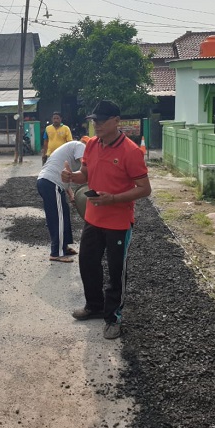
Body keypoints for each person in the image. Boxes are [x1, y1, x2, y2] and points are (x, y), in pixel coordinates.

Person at [61, 100, 151, 340]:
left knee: (115, 271)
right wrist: (72, 176)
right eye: (94, 120)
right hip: (93, 217)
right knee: (88, 263)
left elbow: (145, 189)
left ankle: (114, 317)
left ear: (116, 121)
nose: (97, 124)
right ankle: (95, 306)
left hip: (119, 222)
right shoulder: (91, 145)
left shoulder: (131, 151)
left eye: (101, 120)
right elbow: (85, 176)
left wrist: (114, 199)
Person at [37, 139, 87, 263]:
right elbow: (85, 167)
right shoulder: (81, 146)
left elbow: (66, 177)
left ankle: (64, 247)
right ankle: (56, 253)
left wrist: (71, 195)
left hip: (49, 182)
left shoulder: (69, 151)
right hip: (51, 182)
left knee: (64, 214)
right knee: (58, 219)